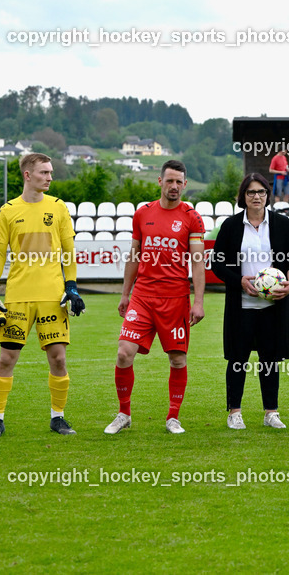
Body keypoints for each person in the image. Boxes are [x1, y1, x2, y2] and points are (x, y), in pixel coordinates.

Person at [0, 153, 84, 438]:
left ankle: (58, 417)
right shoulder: (8, 210)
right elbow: (0, 253)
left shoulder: (59, 208)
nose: (50, 177)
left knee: (58, 359)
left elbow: (68, 252)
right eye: (44, 172)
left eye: (50, 172)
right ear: (28, 175)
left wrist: (72, 287)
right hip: (17, 296)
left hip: (52, 296)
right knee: (6, 360)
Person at [105, 160, 206, 435]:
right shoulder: (142, 213)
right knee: (124, 353)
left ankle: (173, 417)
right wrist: (125, 294)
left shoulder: (192, 217)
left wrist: (198, 301)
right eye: (169, 180)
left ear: (185, 185)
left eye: (179, 182)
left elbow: (197, 262)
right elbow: (134, 255)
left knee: (177, 360)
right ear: (159, 181)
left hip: (175, 299)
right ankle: (123, 413)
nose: (174, 186)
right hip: (143, 296)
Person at [212, 174, 289, 430]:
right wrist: (239, 281)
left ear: (267, 195)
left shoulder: (282, 224)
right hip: (242, 306)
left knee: (270, 360)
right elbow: (217, 263)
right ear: (243, 196)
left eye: (261, 191)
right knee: (237, 359)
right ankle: (234, 412)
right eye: (251, 192)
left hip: (274, 306)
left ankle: (271, 412)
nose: (257, 196)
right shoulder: (231, 226)